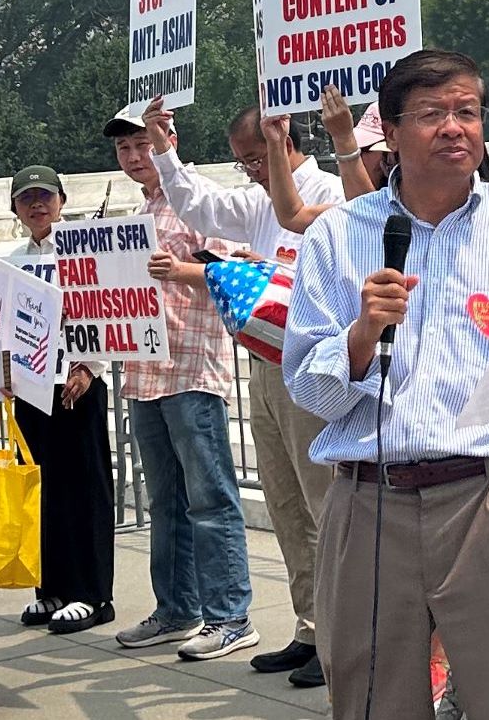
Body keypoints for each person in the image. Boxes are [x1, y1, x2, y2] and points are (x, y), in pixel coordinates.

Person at [284, 49, 489, 720]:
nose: (454, 128)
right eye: (432, 114)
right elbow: (309, 394)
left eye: (467, 112)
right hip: (371, 505)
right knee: (374, 705)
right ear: (392, 133)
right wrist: (359, 338)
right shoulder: (338, 238)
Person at [142, 94, 341, 686]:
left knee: (323, 503)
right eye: (245, 163)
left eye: (256, 158)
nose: (251, 171)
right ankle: (309, 627)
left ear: (285, 141)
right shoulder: (258, 200)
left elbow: (331, 272)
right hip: (265, 359)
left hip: (315, 363)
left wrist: (258, 270)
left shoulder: (329, 193)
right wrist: (162, 146)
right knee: (284, 503)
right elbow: (198, 206)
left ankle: (339, 633)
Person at [101, 104, 259, 661]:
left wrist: (186, 271)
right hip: (145, 373)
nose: (134, 156)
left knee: (210, 497)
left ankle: (230, 614)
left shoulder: (201, 200)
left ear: (168, 139)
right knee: (166, 499)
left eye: (143, 144)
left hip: (193, 368)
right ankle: (177, 609)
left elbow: (247, 269)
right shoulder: (132, 212)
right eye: (124, 149)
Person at [4, 165, 115, 636]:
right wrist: (2, 373)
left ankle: (93, 594)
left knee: (85, 489)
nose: (37, 204)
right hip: (33, 389)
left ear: (62, 200)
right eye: (27, 197)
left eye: (44, 195)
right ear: (14, 208)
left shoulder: (85, 249)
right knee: (43, 490)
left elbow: (111, 309)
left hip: (78, 382)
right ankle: (50, 589)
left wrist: (91, 367)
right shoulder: (9, 261)